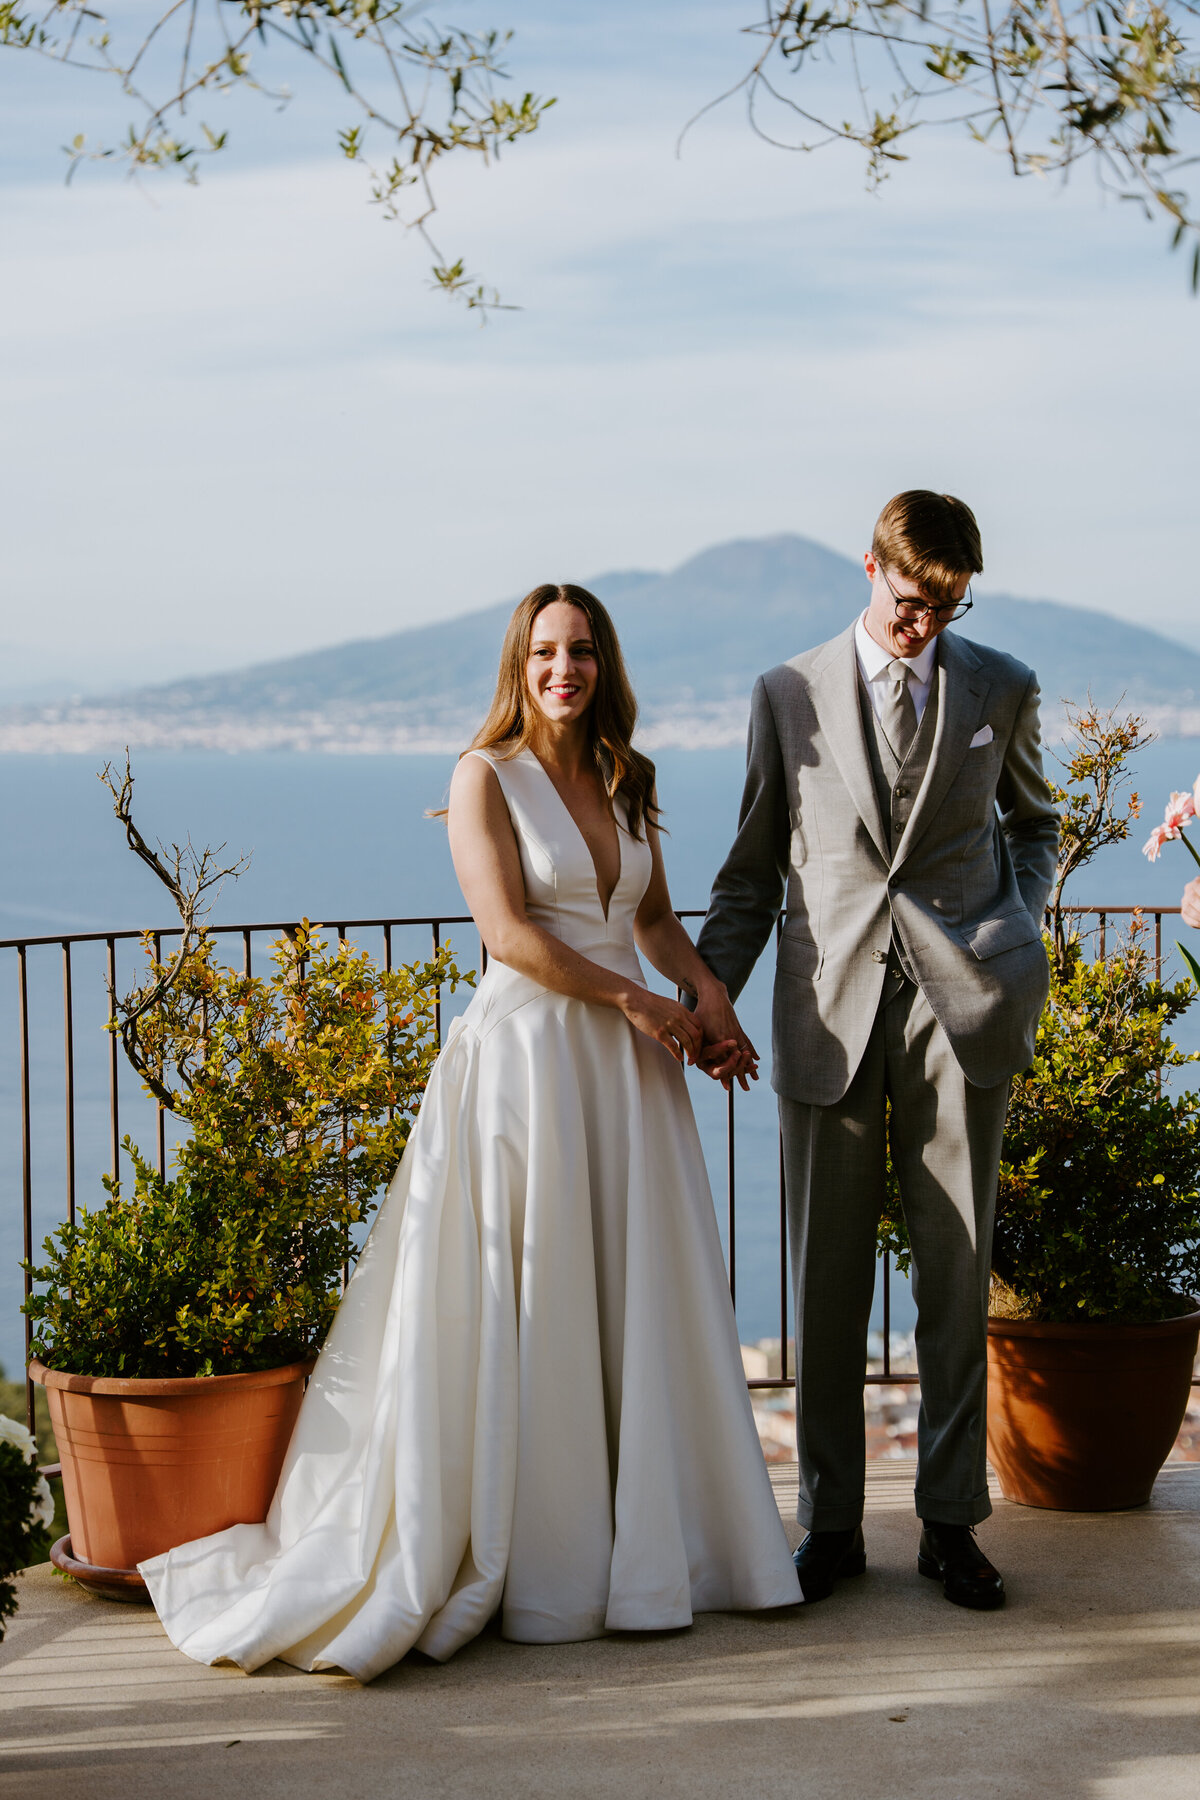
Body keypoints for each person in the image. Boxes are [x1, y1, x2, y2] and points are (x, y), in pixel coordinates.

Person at [140, 583, 800, 1680]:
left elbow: (650, 919)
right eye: (544, 652)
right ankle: (544, 1563)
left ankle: (652, 1551)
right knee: (531, 1296)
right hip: (532, 1064)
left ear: (604, 663)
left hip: (628, 1075)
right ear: (518, 666)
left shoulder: (627, 776)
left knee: (632, 1293)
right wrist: (639, 1002)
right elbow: (508, 934)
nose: (563, 670)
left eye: (580, 650)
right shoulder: (482, 776)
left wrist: (708, 995)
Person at [689, 492, 1059, 1611]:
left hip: (963, 1008)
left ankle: (951, 1524)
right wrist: (707, 995)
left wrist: (1016, 927)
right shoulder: (787, 692)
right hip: (828, 1010)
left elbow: (1034, 823)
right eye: (910, 600)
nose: (923, 623)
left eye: (947, 606)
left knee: (956, 1271)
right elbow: (753, 868)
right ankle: (833, 1526)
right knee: (826, 1283)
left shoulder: (1002, 685)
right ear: (869, 568)